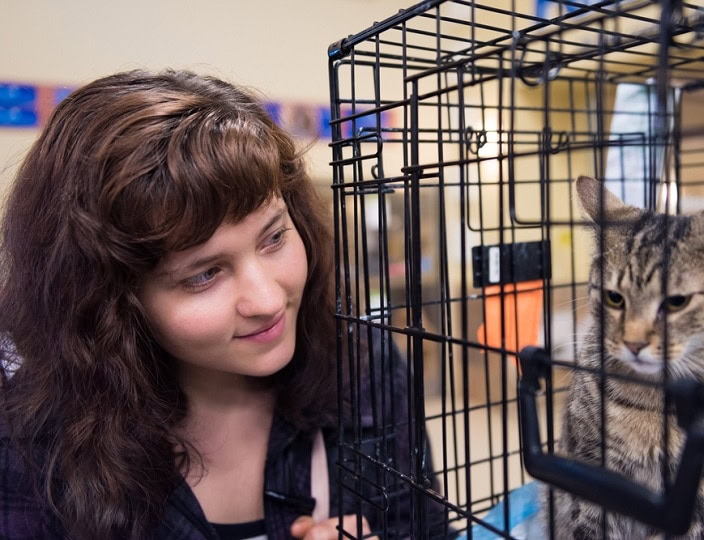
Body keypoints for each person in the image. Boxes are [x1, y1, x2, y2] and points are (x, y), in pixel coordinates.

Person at [0, 70, 445, 540]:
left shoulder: (362, 364)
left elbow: (424, 528)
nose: (268, 300)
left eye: (274, 238)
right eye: (204, 274)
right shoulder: (32, 440)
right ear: (109, 303)